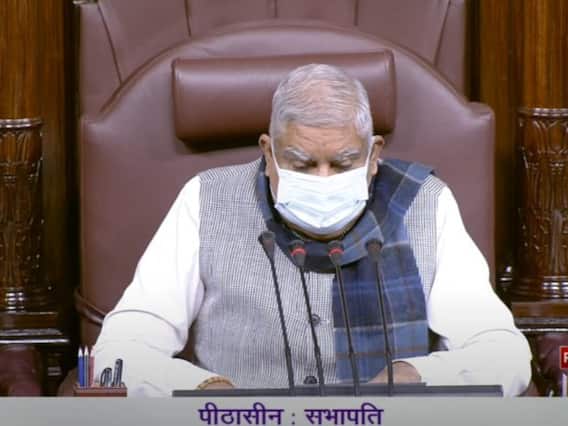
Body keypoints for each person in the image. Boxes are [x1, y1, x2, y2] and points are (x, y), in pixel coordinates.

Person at [93, 64, 532, 396]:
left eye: (343, 163)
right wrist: (204, 391)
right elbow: (118, 353)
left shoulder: (425, 203)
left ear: (373, 155)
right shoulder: (206, 199)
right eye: (302, 164)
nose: (323, 179)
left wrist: (418, 377)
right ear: (268, 153)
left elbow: (504, 356)